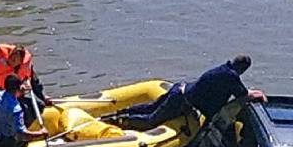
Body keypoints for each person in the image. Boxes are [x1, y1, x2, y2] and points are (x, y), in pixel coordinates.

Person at [108, 55, 267, 130]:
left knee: (150, 107)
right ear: (243, 69)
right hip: (182, 100)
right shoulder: (230, 77)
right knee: (152, 119)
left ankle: (118, 113)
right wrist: (258, 94)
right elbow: (243, 95)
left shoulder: (224, 69)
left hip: (179, 89)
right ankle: (120, 121)